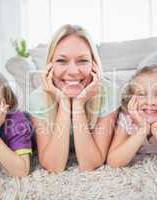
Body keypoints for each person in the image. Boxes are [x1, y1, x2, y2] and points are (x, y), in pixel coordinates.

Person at [27, 24, 119, 172]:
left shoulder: (109, 92)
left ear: (94, 65)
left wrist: (78, 104)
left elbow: (90, 164)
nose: (73, 71)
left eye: (82, 61)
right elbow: (54, 166)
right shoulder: (37, 99)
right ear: (50, 66)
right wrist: (64, 102)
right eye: (62, 61)